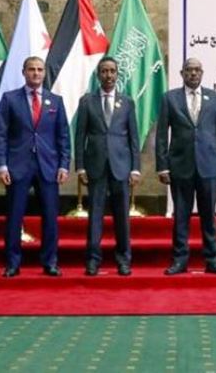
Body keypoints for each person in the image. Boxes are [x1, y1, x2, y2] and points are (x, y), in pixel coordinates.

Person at [0, 56, 71, 277]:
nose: (36, 73)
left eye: (39, 69)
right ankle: (12, 263)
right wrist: (2, 165)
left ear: (44, 73)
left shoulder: (55, 101)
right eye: (31, 69)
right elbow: (0, 134)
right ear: (24, 72)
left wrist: (64, 165)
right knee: (14, 216)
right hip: (17, 167)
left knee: (50, 216)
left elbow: (63, 136)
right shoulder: (10, 99)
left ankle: (50, 262)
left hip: (48, 167)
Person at [155, 58, 216, 275]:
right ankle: (180, 260)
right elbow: (161, 135)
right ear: (182, 74)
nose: (193, 74)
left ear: (202, 73)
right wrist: (162, 166)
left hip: (210, 166)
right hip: (180, 166)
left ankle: (212, 260)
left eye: (197, 70)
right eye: (189, 70)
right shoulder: (170, 98)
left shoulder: (215, 98)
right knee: (181, 216)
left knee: (209, 216)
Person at [76, 57, 141, 276]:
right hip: (95, 166)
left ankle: (123, 260)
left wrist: (135, 168)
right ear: (98, 75)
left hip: (121, 167)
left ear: (117, 74)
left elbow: (133, 137)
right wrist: (80, 167)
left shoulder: (127, 102)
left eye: (112, 71)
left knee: (122, 217)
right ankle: (93, 260)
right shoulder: (87, 101)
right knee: (95, 215)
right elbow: (80, 136)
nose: (109, 75)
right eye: (104, 71)